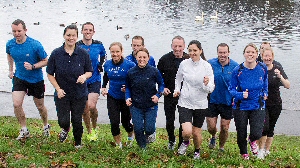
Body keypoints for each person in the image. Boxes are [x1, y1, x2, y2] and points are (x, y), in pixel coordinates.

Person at [46, 24, 93, 149]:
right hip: (62, 93)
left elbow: (90, 71)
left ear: (77, 37)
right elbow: (50, 74)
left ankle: (78, 143)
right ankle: (65, 129)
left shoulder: (83, 53)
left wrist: (84, 76)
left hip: (79, 93)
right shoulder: (56, 53)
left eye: (73, 35)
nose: (71, 38)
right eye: (68, 35)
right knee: (64, 121)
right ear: (64, 36)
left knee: (77, 120)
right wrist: (58, 89)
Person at [6, 19, 50, 140]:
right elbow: (9, 55)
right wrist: (11, 70)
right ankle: (24, 129)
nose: (17, 34)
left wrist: (33, 66)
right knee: (16, 104)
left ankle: (46, 125)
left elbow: (46, 61)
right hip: (19, 77)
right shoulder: (10, 44)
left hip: (36, 80)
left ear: (25, 30)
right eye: (14, 31)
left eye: (19, 31)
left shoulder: (35, 45)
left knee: (40, 107)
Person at [174, 40, 215, 159]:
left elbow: (210, 89)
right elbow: (178, 78)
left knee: (196, 133)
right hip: (185, 102)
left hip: (200, 104)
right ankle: (185, 142)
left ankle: (197, 151)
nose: (192, 53)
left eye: (195, 50)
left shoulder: (206, 66)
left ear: (200, 51)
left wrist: (206, 84)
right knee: (187, 132)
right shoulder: (184, 64)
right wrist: (177, 89)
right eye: (190, 50)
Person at [229, 43, 268, 160]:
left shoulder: (262, 68)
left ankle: (252, 141)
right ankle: (244, 153)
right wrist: (240, 94)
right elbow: (231, 89)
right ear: (244, 54)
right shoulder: (238, 70)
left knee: (257, 132)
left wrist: (265, 93)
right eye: (248, 52)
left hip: (258, 104)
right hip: (241, 106)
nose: (250, 54)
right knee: (241, 132)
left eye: (253, 52)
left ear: (257, 54)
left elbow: (265, 82)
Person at [125, 47, 164, 149]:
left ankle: (150, 134)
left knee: (149, 129)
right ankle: (143, 147)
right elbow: (127, 87)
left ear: (148, 58)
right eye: (139, 57)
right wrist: (127, 98)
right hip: (136, 105)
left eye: (144, 57)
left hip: (150, 104)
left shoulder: (154, 71)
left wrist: (158, 95)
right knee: (138, 128)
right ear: (136, 57)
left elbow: (161, 85)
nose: (142, 59)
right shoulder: (131, 72)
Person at [257, 47, 290, 159]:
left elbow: (287, 85)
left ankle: (267, 150)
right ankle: (260, 150)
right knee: (264, 127)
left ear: (273, 57)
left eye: (269, 56)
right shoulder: (259, 68)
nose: (267, 58)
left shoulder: (277, 68)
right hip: (262, 103)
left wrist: (280, 76)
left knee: (271, 127)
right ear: (261, 56)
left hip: (275, 103)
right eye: (265, 56)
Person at [157, 35, 189, 150]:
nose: (177, 49)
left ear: (184, 46)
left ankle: (181, 142)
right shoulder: (164, 59)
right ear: (171, 46)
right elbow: (158, 76)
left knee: (183, 121)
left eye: (180, 46)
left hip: (183, 95)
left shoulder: (188, 59)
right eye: (175, 46)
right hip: (169, 93)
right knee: (169, 120)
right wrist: (162, 88)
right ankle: (171, 140)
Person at [101, 42, 135, 148]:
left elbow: (135, 79)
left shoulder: (130, 65)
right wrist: (103, 87)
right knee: (114, 121)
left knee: (126, 122)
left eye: (117, 52)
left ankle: (130, 133)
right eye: (112, 52)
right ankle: (118, 144)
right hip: (112, 96)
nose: (115, 54)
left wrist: (129, 88)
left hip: (125, 97)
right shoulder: (107, 64)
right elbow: (106, 76)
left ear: (121, 51)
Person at [206, 43, 239, 152]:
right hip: (212, 99)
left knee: (224, 127)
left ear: (228, 53)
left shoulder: (235, 66)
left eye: (224, 52)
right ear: (217, 53)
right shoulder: (210, 64)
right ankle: (213, 136)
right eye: (220, 52)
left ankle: (221, 147)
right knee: (211, 127)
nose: (222, 55)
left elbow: (240, 83)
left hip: (227, 101)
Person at [76, 22, 106, 137]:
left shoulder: (98, 45)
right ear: (82, 31)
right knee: (84, 109)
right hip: (81, 80)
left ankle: (94, 127)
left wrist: (100, 65)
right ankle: (89, 131)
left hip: (95, 79)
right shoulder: (77, 45)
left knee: (91, 106)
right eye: (85, 30)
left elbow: (104, 55)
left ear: (93, 32)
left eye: (90, 30)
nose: (88, 32)